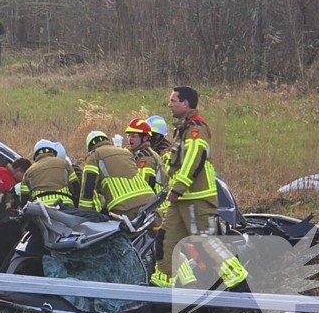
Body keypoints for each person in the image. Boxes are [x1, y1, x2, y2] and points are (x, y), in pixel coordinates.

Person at [151, 87, 248, 289]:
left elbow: (195, 157)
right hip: (181, 200)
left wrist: (178, 188)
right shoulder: (183, 129)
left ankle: (238, 281)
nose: (170, 104)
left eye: (173, 100)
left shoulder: (196, 128)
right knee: (165, 239)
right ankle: (162, 285)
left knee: (204, 241)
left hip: (194, 197)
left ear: (185, 103)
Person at [80, 131, 156, 215]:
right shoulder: (126, 152)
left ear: (90, 147)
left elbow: (88, 186)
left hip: (123, 208)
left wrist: (84, 213)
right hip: (150, 202)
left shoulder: (94, 155)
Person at [23, 139, 77, 206]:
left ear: (35, 155)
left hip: (40, 209)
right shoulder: (64, 164)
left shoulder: (28, 172)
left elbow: (24, 199)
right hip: (65, 206)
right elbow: (75, 187)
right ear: (53, 152)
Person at [125, 118, 165, 190]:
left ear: (145, 138)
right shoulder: (136, 152)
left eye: (134, 136)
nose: (130, 138)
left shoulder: (146, 157)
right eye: (129, 135)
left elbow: (143, 184)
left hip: (153, 199)